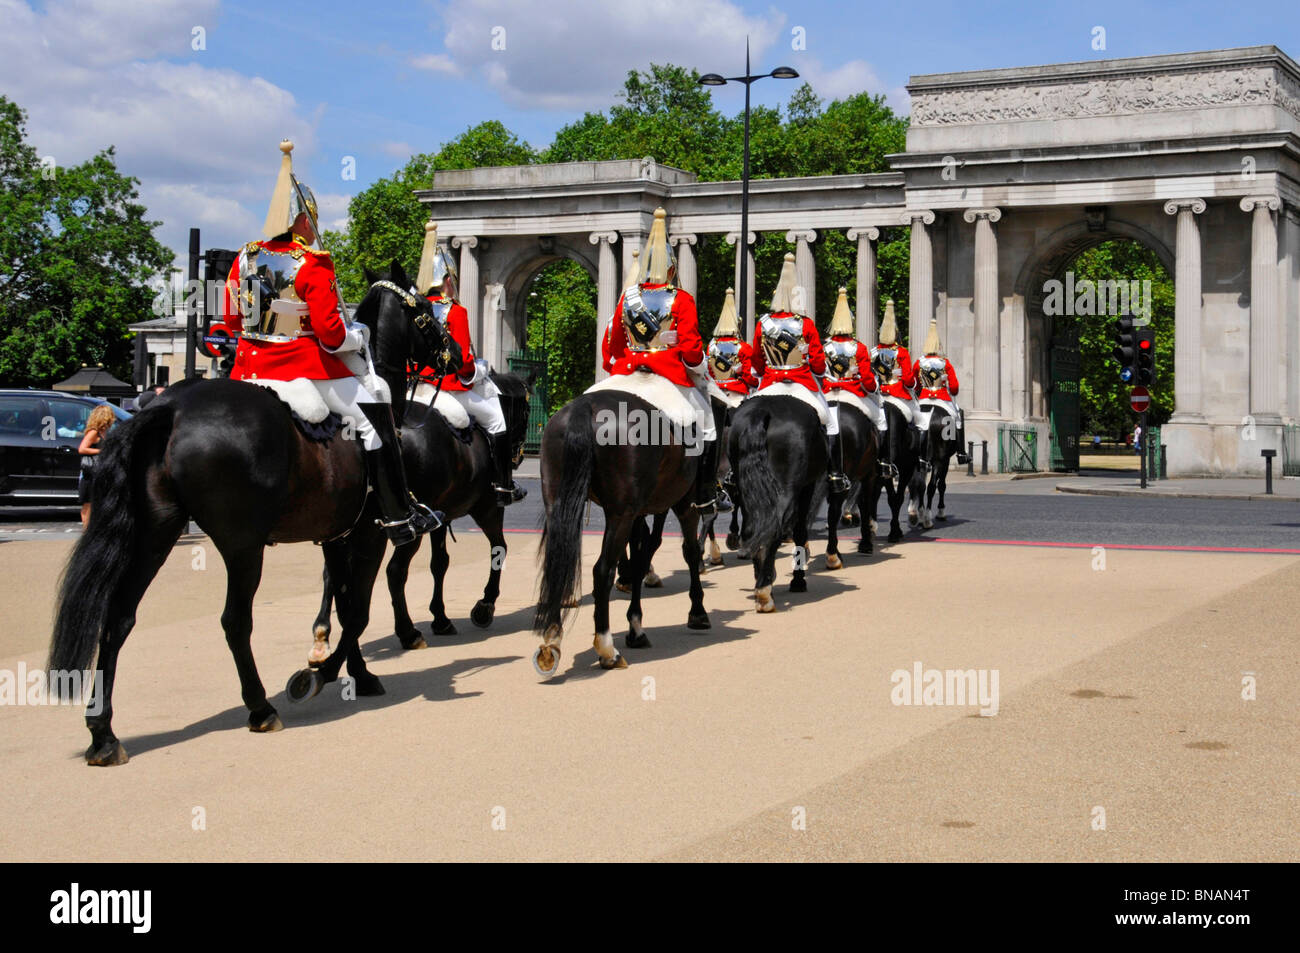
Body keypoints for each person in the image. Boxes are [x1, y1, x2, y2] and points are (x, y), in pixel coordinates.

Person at [221, 140, 438, 546]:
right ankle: (396, 514)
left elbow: (233, 320)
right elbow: (331, 335)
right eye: (312, 220)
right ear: (303, 220)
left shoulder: (244, 258)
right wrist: (359, 335)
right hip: (303, 368)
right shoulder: (313, 263)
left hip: (248, 370)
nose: (313, 228)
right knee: (376, 411)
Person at [605, 207, 718, 513]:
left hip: (626, 370)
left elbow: (614, 346)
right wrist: (697, 368)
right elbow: (693, 348)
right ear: (671, 269)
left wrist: (622, 365)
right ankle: (705, 493)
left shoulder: (627, 299)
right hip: (668, 373)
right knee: (706, 425)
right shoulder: (681, 299)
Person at [410, 221, 525, 507]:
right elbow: (463, 365)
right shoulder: (455, 311)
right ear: (448, 280)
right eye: (454, 280)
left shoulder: (412, 309)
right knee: (497, 419)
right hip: (447, 389)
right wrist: (479, 371)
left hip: (414, 389)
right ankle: (503, 485)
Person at [749, 252, 849, 493]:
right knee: (831, 422)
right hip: (801, 383)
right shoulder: (805, 324)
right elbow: (816, 363)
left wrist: (765, 372)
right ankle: (835, 474)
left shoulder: (763, 323)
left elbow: (756, 360)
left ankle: (733, 472)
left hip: (770, 382)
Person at [821, 287, 883, 477]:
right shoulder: (859, 348)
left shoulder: (825, 347)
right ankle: (884, 462)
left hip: (827, 394)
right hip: (853, 394)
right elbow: (869, 383)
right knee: (881, 419)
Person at [913, 318, 970, 464]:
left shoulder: (918, 363)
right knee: (957, 418)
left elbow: (915, 385)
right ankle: (961, 452)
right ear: (938, 346)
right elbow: (955, 387)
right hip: (943, 399)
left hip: (924, 398)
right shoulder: (945, 363)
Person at [869, 299, 922, 450]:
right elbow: (909, 381)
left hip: (877, 396)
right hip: (898, 394)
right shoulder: (902, 352)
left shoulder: (872, 352)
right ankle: (921, 459)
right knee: (922, 423)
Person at [76, 404, 117, 526]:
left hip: (100, 471)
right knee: (88, 504)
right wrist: (101, 451)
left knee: (98, 503)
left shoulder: (105, 432)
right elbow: (82, 449)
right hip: (90, 472)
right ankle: (86, 530)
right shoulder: (94, 432)